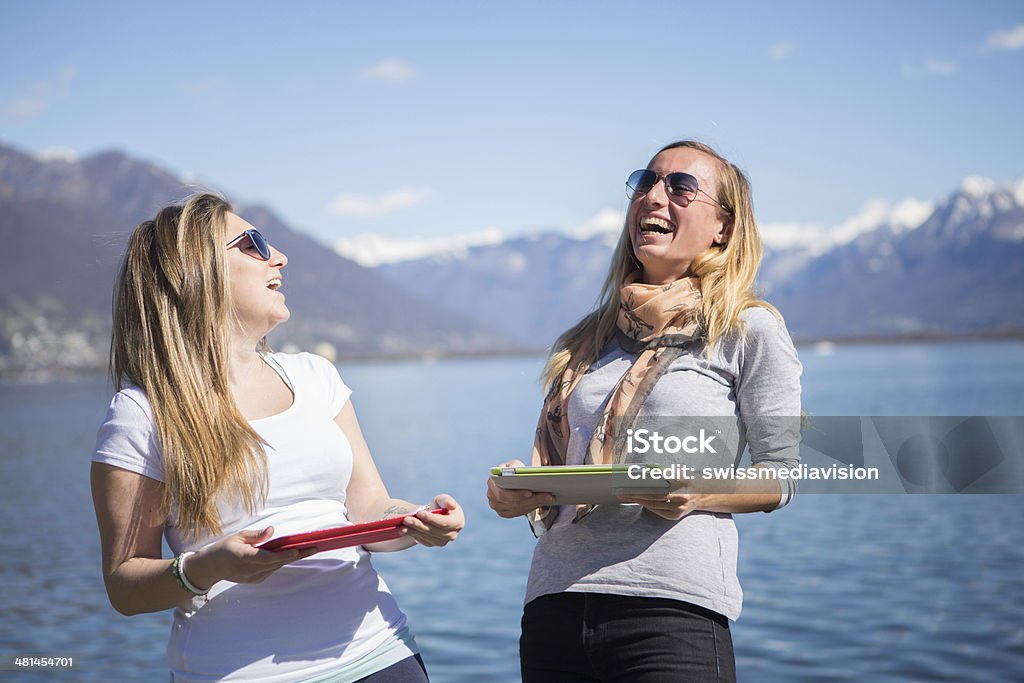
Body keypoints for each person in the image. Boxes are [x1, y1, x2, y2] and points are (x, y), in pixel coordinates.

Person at [91, 193, 465, 682]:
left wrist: (412, 521)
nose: (279, 257)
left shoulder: (316, 376)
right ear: (196, 272)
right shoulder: (142, 414)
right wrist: (209, 567)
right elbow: (125, 586)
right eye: (253, 243)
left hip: (383, 655)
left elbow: (369, 508)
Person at [487, 140, 802, 682]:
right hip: (556, 604)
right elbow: (567, 465)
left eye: (680, 186)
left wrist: (695, 491)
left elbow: (782, 477)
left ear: (723, 228)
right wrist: (513, 491)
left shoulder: (748, 328)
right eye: (646, 182)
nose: (654, 196)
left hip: (671, 610)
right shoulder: (586, 340)